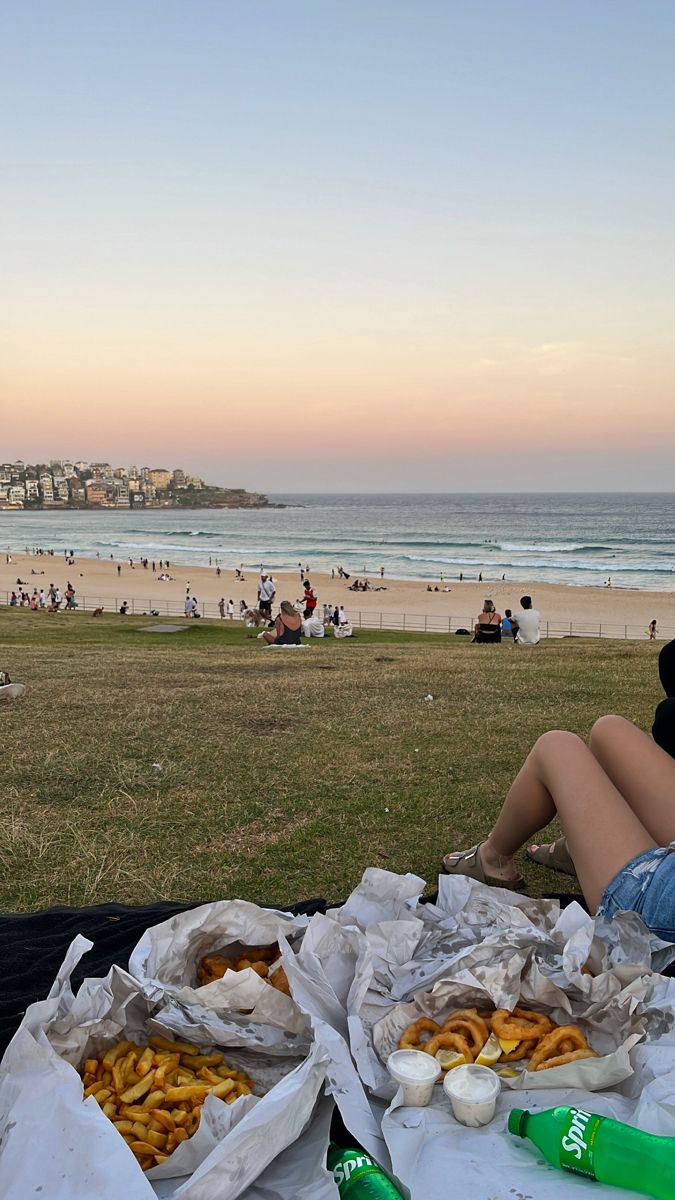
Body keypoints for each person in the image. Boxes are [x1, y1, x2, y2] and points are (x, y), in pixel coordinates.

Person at [440, 713, 675, 941]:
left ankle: (492, 859)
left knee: (556, 748)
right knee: (610, 731)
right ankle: (582, 852)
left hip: (661, 903)